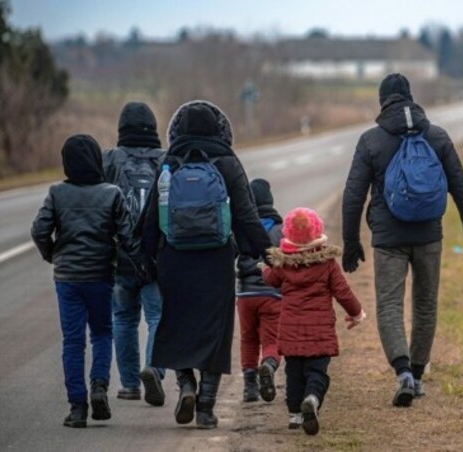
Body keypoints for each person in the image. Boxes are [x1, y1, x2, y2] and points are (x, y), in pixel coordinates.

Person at [341, 73, 463, 408]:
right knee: (425, 305)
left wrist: (351, 242)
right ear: (410, 97)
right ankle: (418, 376)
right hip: (428, 236)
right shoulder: (437, 137)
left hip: (388, 238)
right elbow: (462, 190)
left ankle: (403, 373)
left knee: (390, 305)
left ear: (383, 102)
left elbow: (353, 196)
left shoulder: (371, 141)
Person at [141, 100, 273, 429]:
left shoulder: (170, 162)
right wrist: (269, 254)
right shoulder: (227, 161)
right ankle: (205, 407)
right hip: (215, 260)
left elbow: (150, 218)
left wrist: (147, 260)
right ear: (217, 128)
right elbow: (247, 215)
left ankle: (186, 385)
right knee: (216, 333)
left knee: (177, 328)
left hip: (175, 259)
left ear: (179, 130)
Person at [31, 134, 148, 428]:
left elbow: (39, 230)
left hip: (68, 279)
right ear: (97, 160)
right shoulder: (111, 194)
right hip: (100, 276)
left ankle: (78, 407)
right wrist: (142, 266)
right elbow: (127, 237)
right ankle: (99, 387)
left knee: (72, 342)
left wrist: (53, 255)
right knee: (101, 334)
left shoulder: (57, 193)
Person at [262, 207, 366, 436]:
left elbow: (270, 278)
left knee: (294, 373)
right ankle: (312, 398)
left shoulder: (284, 264)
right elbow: (343, 292)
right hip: (319, 332)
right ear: (318, 231)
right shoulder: (327, 264)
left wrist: (263, 270)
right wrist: (356, 313)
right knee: (317, 372)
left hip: (290, 331)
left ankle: (294, 414)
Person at [102, 101, 166, 406]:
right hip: (155, 258)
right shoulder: (166, 160)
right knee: (158, 316)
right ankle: (154, 370)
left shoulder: (109, 160)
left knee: (123, 319)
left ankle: (129, 385)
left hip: (120, 259)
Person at [236, 178, 284, 403]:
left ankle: (249, 387)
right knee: (271, 340)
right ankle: (269, 364)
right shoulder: (280, 230)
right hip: (272, 294)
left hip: (246, 294)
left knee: (248, 339)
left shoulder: (244, 227)